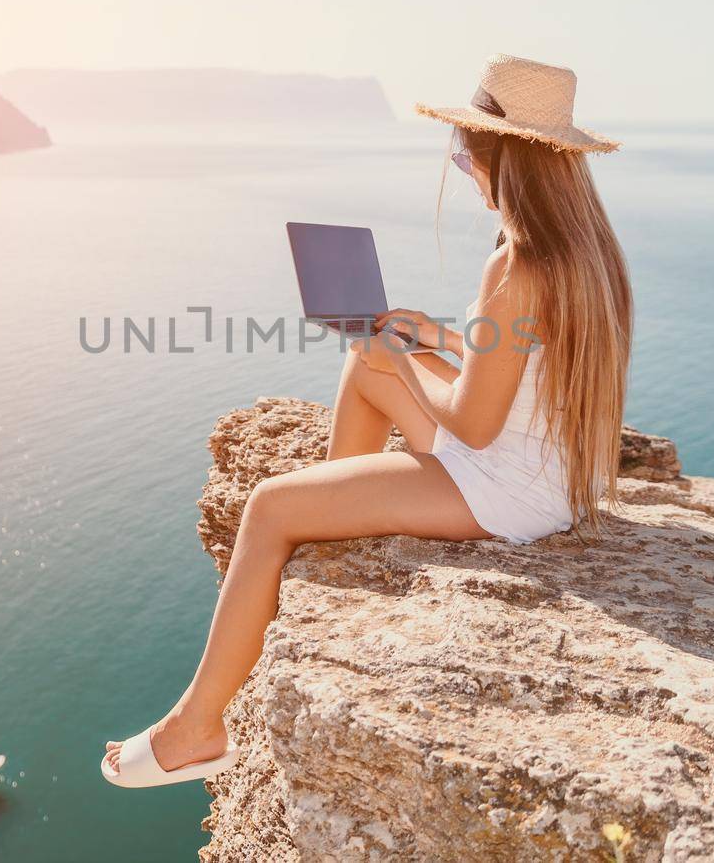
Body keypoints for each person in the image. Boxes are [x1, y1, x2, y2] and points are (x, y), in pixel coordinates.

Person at [103, 54, 634, 788]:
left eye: (464, 150)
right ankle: (338, 497)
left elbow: (475, 426)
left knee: (269, 506)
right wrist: (432, 338)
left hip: (507, 489)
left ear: (500, 157)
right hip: (554, 477)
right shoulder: (587, 250)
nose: (462, 166)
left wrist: (404, 355)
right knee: (368, 365)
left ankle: (196, 728)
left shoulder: (515, 264)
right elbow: (530, 364)